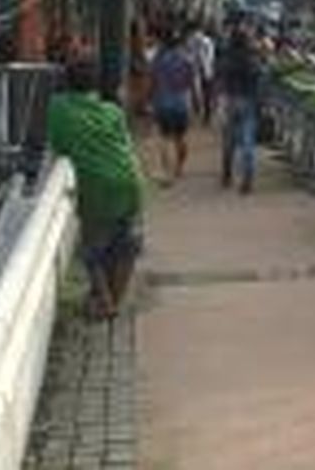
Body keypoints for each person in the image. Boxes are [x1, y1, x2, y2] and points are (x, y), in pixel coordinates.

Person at [46, 59, 145, 320]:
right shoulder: (112, 111)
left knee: (93, 251)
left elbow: (58, 148)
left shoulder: (58, 108)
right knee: (127, 246)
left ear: (67, 83)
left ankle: (105, 300)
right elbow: (126, 144)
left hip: (97, 188)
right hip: (130, 181)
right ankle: (115, 302)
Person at [219, 23, 262, 194]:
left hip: (230, 100)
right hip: (248, 101)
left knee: (228, 141)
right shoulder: (253, 60)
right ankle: (247, 179)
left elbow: (221, 80)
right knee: (247, 142)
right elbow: (259, 80)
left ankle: (227, 174)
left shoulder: (226, 59)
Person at [149, 28, 196, 183]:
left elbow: (152, 81)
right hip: (182, 103)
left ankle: (167, 172)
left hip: (162, 102)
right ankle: (179, 168)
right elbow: (191, 83)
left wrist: (150, 100)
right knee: (181, 138)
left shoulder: (158, 59)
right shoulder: (187, 59)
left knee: (163, 138)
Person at [186, 20, 216, 125]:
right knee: (202, 92)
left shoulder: (199, 41)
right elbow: (211, 56)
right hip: (203, 69)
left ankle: (203, 113)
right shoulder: (206, 41)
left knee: (200, 92)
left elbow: (190, 55)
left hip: (200, 69)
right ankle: (204, 113)